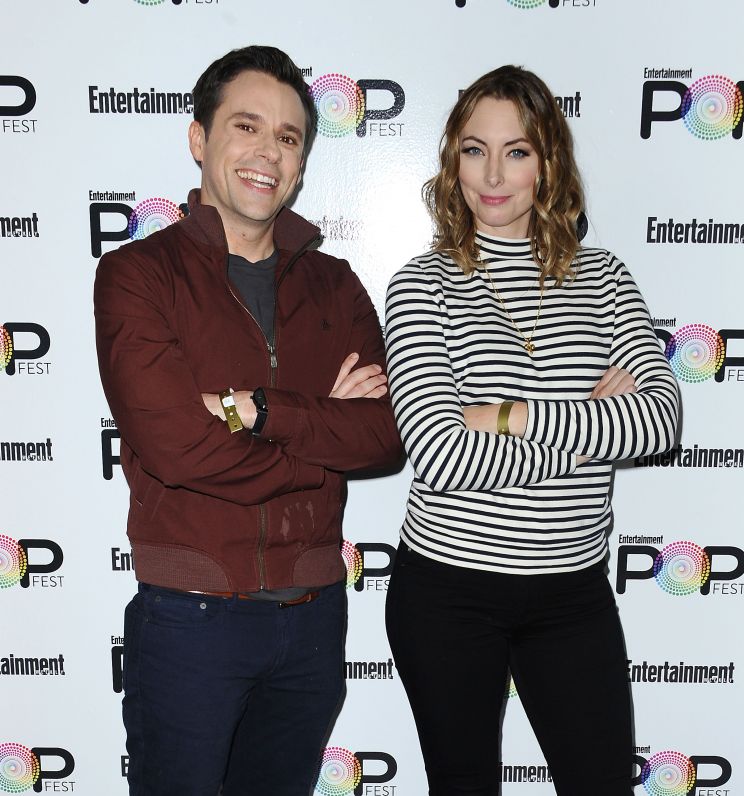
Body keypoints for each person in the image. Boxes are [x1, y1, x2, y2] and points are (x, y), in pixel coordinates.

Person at [94, 45, 401, 796]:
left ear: (302, 162)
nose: (269, 152)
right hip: (189, 620)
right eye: (247, 126)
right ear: (199, 139)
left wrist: (256, 411)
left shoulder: (335, 284)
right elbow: (176, 448)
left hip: (313, 621)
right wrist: (323, 439)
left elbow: (388, 435)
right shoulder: (138, 275)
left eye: (288, 137)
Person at [384, 65, 679, 796]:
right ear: (452, 162)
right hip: (448, 592)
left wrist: (507, 416)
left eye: (516, 152)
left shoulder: (605, 278)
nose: (493, 175)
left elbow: (658, 421)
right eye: (474, 150)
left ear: (547, 163)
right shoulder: (421, 284)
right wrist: (592, 432)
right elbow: (440, 455)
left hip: (572, 594)